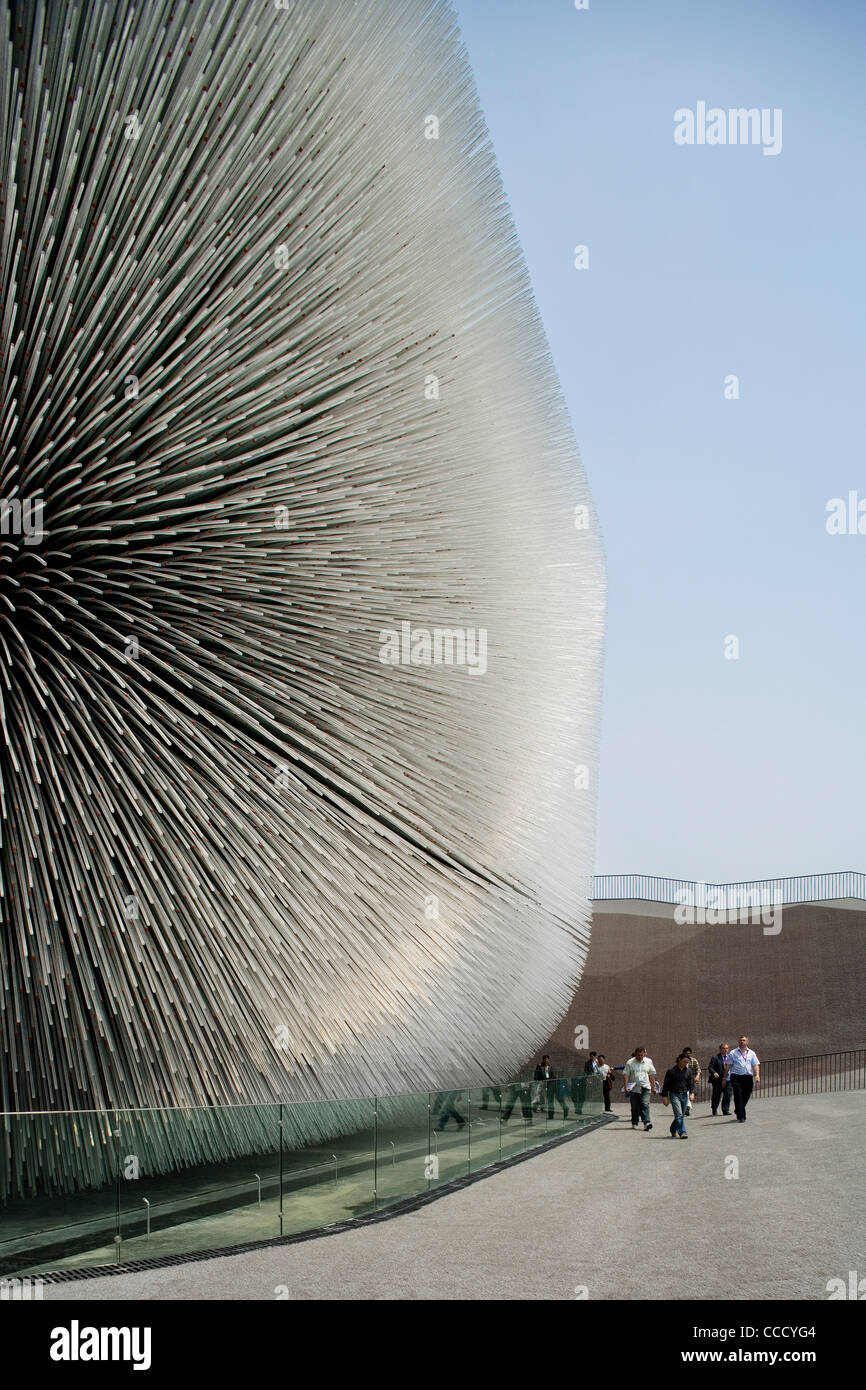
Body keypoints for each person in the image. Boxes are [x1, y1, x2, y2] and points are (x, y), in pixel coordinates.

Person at [725, 1037, 760, 1121]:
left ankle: (738, 1109)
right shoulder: (733, 1053)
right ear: (738, 1042)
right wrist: (724, 1077)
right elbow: (728, 1066)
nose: (742, 1042)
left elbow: (755, 1064)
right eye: (740, 1040)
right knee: (738, 1095)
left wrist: (757, 1075)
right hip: (736, 1077)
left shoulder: (751, 1053)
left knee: (747, 1094)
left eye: (743, 1040)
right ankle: (741, 1116)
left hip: (747, 1077)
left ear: (747, 1042)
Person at [622, 1047, 657, 1131]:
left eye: (642, 1055)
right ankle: (634, 1121)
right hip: (634, 1088)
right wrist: (626, 1086)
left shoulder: (648, 1062)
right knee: (635, 1107)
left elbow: (651, 1075)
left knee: (645, 1104)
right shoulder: (630, 1062)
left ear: (644, 1054)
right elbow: (626, 1075)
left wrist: (653, 1087)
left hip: (645, 1087)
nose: (640, 1057)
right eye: (638, 1055)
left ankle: (647, 1123)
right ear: (635, 1054)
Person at [661, 1054, 696, 1138]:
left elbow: (691, 1084)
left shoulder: (688, 1071)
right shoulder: (671, 1071)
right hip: (674, 1095)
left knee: (681, 1116)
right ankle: (682, 1132)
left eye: (687, 1062)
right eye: (684, 1061)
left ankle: (673, 1129)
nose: (685, 1064)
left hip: (684, 1095)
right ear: (679, 1059)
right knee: (679, 1115)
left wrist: (692, 1093)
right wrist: (665, 1097)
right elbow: (666, 1085)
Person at [534, 1055, 567, 1119]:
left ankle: (565, 1108)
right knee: (549, 1100)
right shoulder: (540, 1066)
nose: (547, 1061)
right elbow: (537, 1076)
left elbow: (552, 1076)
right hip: (545, 1084)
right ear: (543, 1060)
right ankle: (550, 1115)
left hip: (552, 1085)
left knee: (558, 1099)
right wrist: (539, 1080)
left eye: (548, 1059)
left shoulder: (550, 1067)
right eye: (545, 1060)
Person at [707, 1044, 732, 1116]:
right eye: (724, 1048)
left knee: (727, 1095)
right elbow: (710, 1067)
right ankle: (714, 1109)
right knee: (716, 1095)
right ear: (720, 1049)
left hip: (728, 1079)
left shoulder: (730, 1057)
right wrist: (714, 1073)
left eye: (727, 1048)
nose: (725, 1050)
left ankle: (725, 1110)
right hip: (718, 1080)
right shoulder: (715, 1058)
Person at [681, 1048, 701, 1115]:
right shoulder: (680, 1060)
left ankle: (687, 1108)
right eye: (686, 1053)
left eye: (689, 1053)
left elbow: (698, 1069)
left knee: (691, 1093)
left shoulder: (693, 1060)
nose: (688, 1055)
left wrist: (697, 1076)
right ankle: (686, 1107)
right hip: (683, 1080)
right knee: (685, 1093)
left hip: (691, 1080)